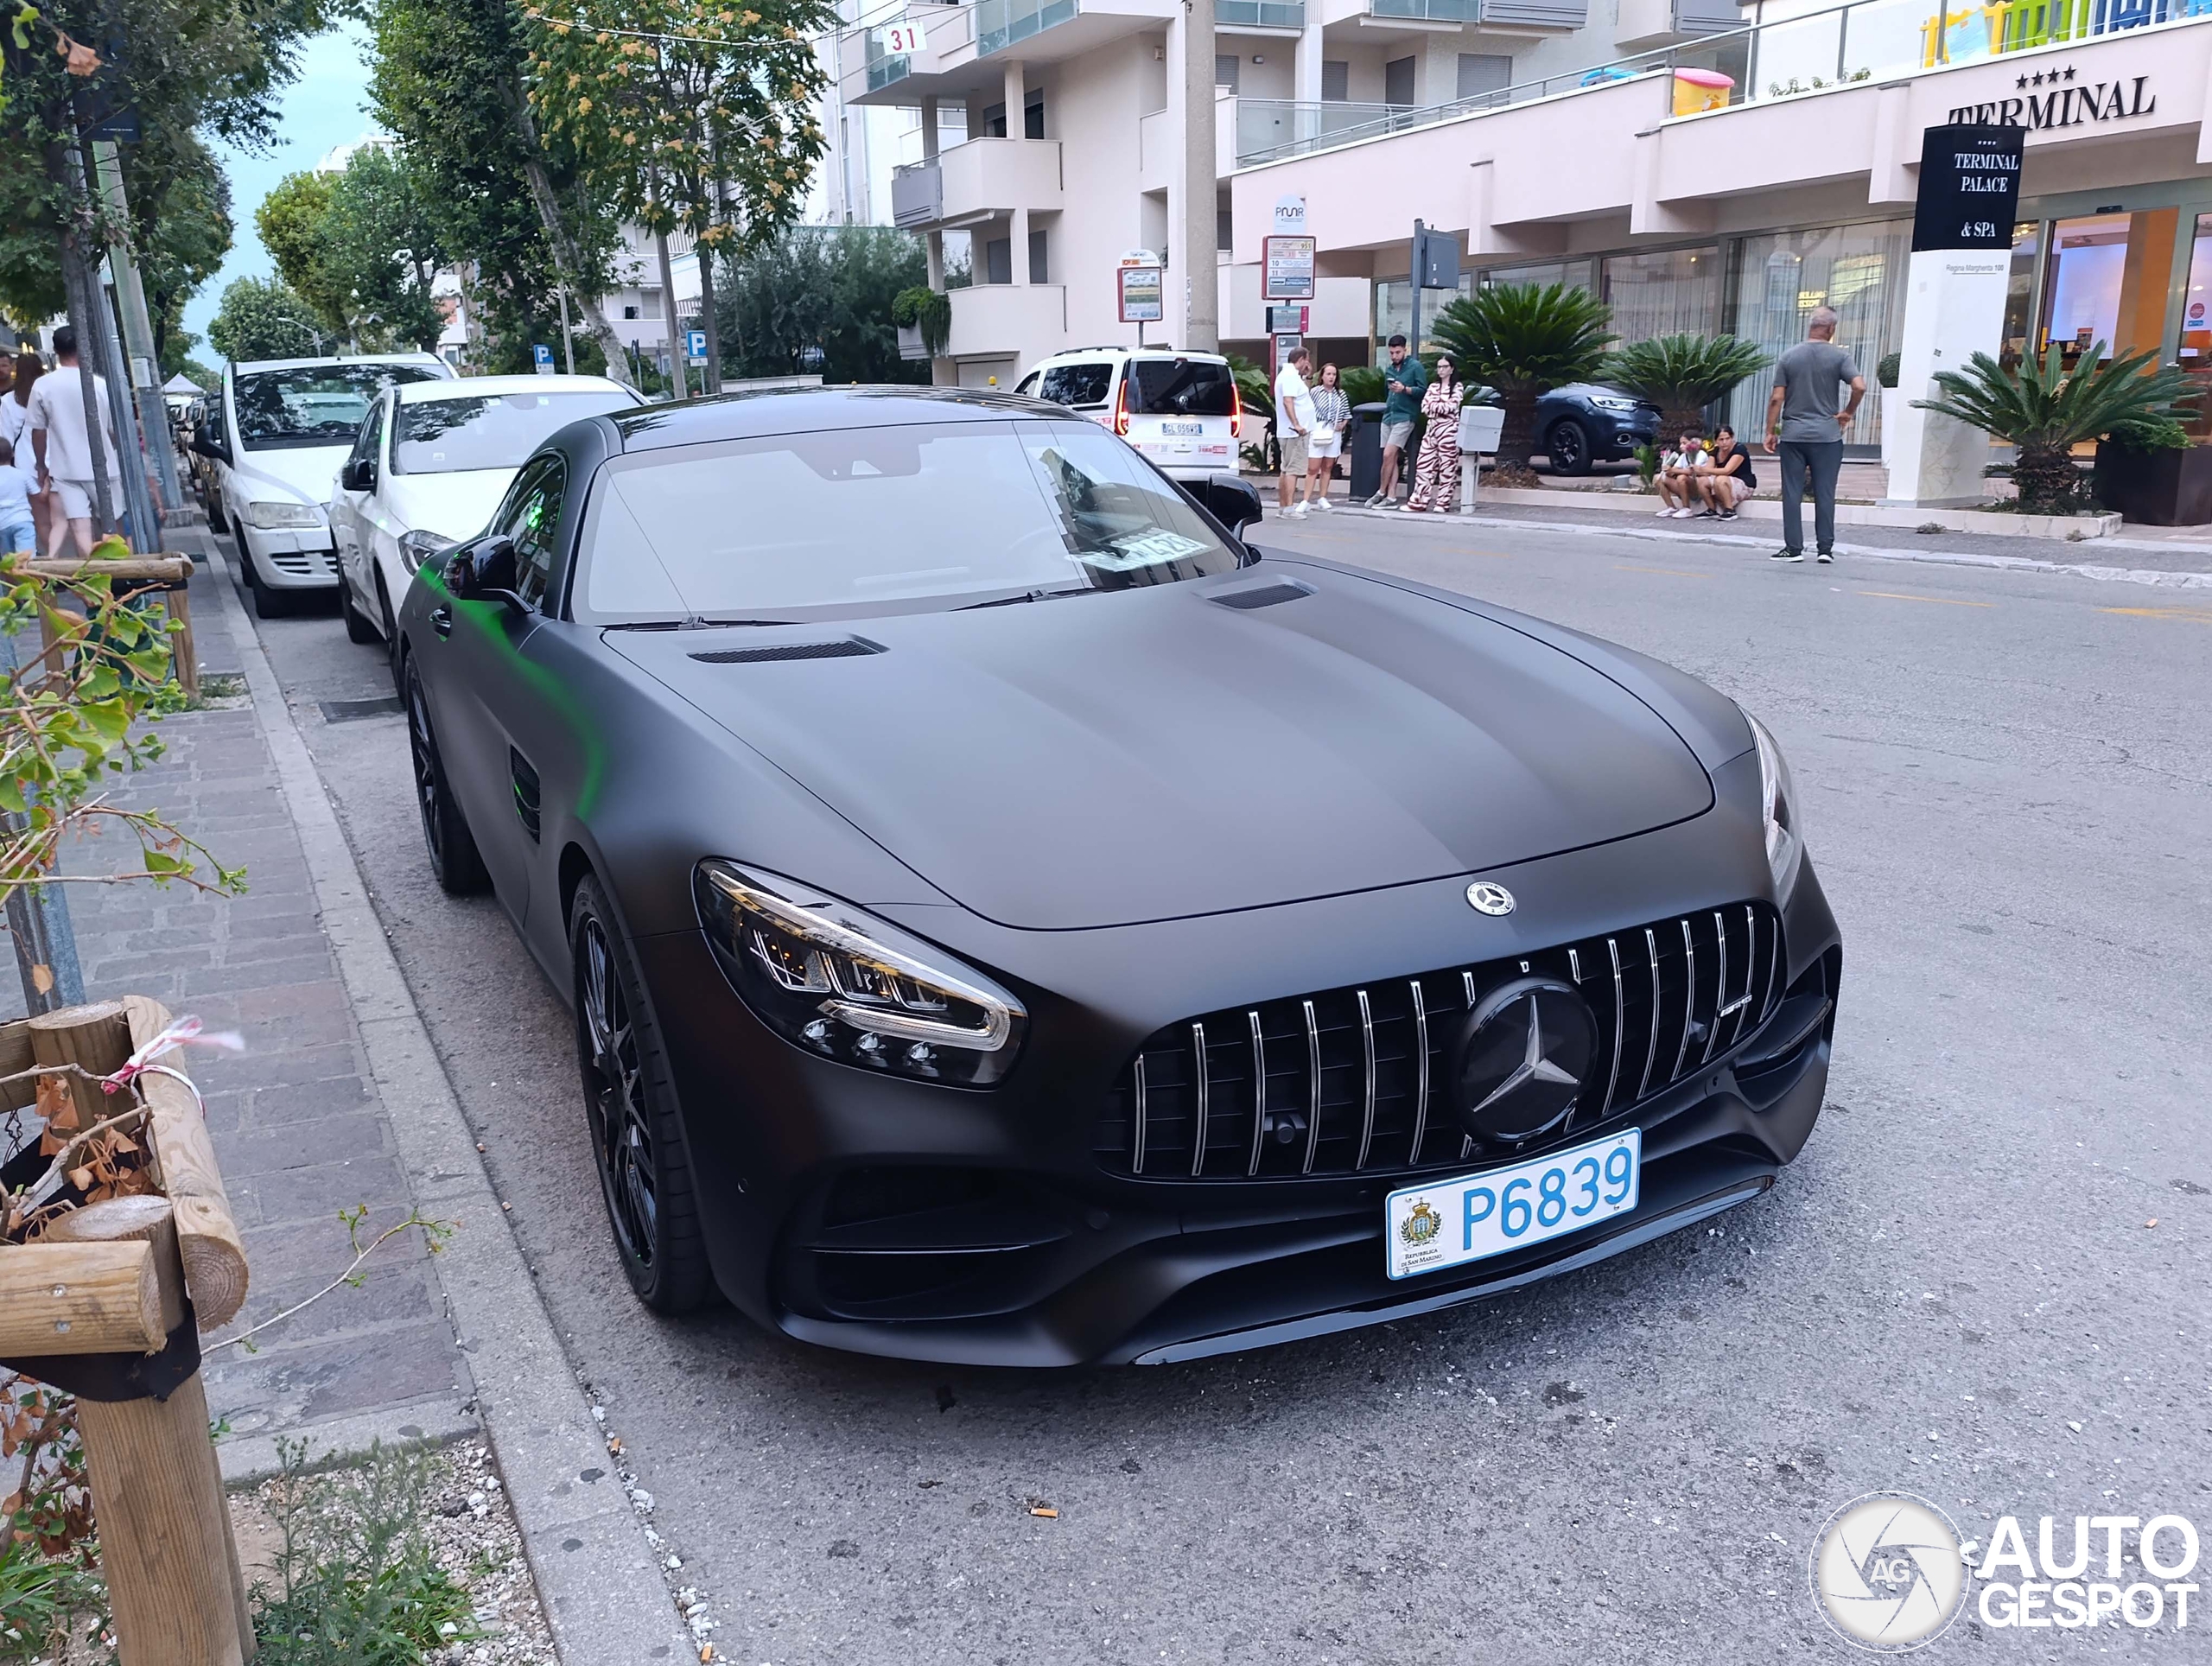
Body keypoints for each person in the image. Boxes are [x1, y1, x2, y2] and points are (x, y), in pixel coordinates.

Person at [1764, 305, 1864, 563]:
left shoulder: (1789, 356)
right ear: (1831, 329)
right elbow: (1860, 387)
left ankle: (1793, 548)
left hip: (1794, 435)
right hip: (1828, 437)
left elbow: (1777, 398)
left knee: (1792, 492)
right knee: (1825, 492)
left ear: (1811, 326)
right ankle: (1825, 549)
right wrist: (1848, 412)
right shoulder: (1840, 357)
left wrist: (1770, 431)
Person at [26, 327, 118, 557]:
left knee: (80, 528)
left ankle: (94, 581)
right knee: (114, 525)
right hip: (104, 466)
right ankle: (123, 578)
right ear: (83, 348)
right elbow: (112, 430)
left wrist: (40, 464)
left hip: (65, 468)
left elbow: (38, 431)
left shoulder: (43, 386)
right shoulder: (99, 384)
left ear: (55, 350)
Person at [1368, 334, 1427, 507]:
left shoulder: (1415, 367)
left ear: (1405, 350)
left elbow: (1423, 390)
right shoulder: (1389, 370)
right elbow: (1388, 393)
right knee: (1390, 457)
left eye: (1397, 352)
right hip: (1389, 415)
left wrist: (1405, 389)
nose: (1394, 356)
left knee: (1388, 454)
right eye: (1392, 353)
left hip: (1405, 416)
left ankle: (1381, 491)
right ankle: (1391, 496)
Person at [1404, 353, 1463, 512]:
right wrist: (1439, 408)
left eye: (1444, 367)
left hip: (1449, 431)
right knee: (1423, 465)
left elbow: (1452, 406)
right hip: (1431, 431)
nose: (1441, 370)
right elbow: (1425, 406)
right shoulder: (1433, 387)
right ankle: (1419, 501)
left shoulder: (1457, 387)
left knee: (1447, 467)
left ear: (1451, 369)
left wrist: (1435, 407)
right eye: (1439, 367)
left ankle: (1443, 502)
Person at [0, 351, 43, 553]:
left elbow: (7, 437)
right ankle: (62, 562)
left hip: (27, 463)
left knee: (42, 520)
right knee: (66, 519)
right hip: (59, 461)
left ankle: (43, 562)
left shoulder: (8, 400)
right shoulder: (47, 392)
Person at [1272, 346, 1314, 518]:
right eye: (1307, 360)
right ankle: (1288, 509)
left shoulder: (1290, 376)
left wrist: (1308, 376)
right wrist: (1296, 424)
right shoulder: (1289, 376)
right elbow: (1288, 401)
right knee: (1292, 470)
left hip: (1290, 431)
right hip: (1294, 433)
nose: (1308, 363)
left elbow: (1301, 395)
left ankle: (1284, 507)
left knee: (1286, 469)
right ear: (1302, 359)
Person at [1303, 362, 1350, 513]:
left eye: (1334, 374)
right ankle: (1305, 499)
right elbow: (1307, 407)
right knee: (1313, 467)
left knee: (1328, 466)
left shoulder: (1340, 394)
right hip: (1318, 428)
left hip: (1333, 432)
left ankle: (1322, 497)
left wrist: (1342, 424)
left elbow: (1347, 414)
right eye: (1328, 374)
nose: (1331, 377)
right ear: (1322, 376)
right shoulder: (1315, 392)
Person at [1694, 425, 1757, 519]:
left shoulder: (1739, 449)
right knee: (1701, 480)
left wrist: (1703, 469)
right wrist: (1696, 470)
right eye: (1721, 439)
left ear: (1732, 438)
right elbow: (1708, 470)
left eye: (1727, 439)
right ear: (1716, 441)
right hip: (1724, 482)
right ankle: (1711, 509)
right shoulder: (1715, 451)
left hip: (1743, 483)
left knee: (1720, 479)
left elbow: (1727, 470)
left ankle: (1730, 510)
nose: (1724, 442)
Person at [1654, 432, 1708, 517]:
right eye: (1681, 443)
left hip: (1697, 487)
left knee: (1681, 477)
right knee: (1658, 478)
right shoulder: (1683, 456)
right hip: (1684, 486)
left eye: (1684, 443)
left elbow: (1693, 471)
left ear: (1694, 443)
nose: (1681, 446)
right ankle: (1671, 507)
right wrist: (1668, 470)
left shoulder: (1701, 454)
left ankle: (1686, 508)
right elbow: (1675, 469)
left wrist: (1674, 470)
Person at [0, 438, 34, 553]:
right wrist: (47, 486)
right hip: (22, 519)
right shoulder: (22, 474)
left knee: (8, 561)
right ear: (13, 454)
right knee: (26, 558)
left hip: (2, 524)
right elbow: (38, 494)